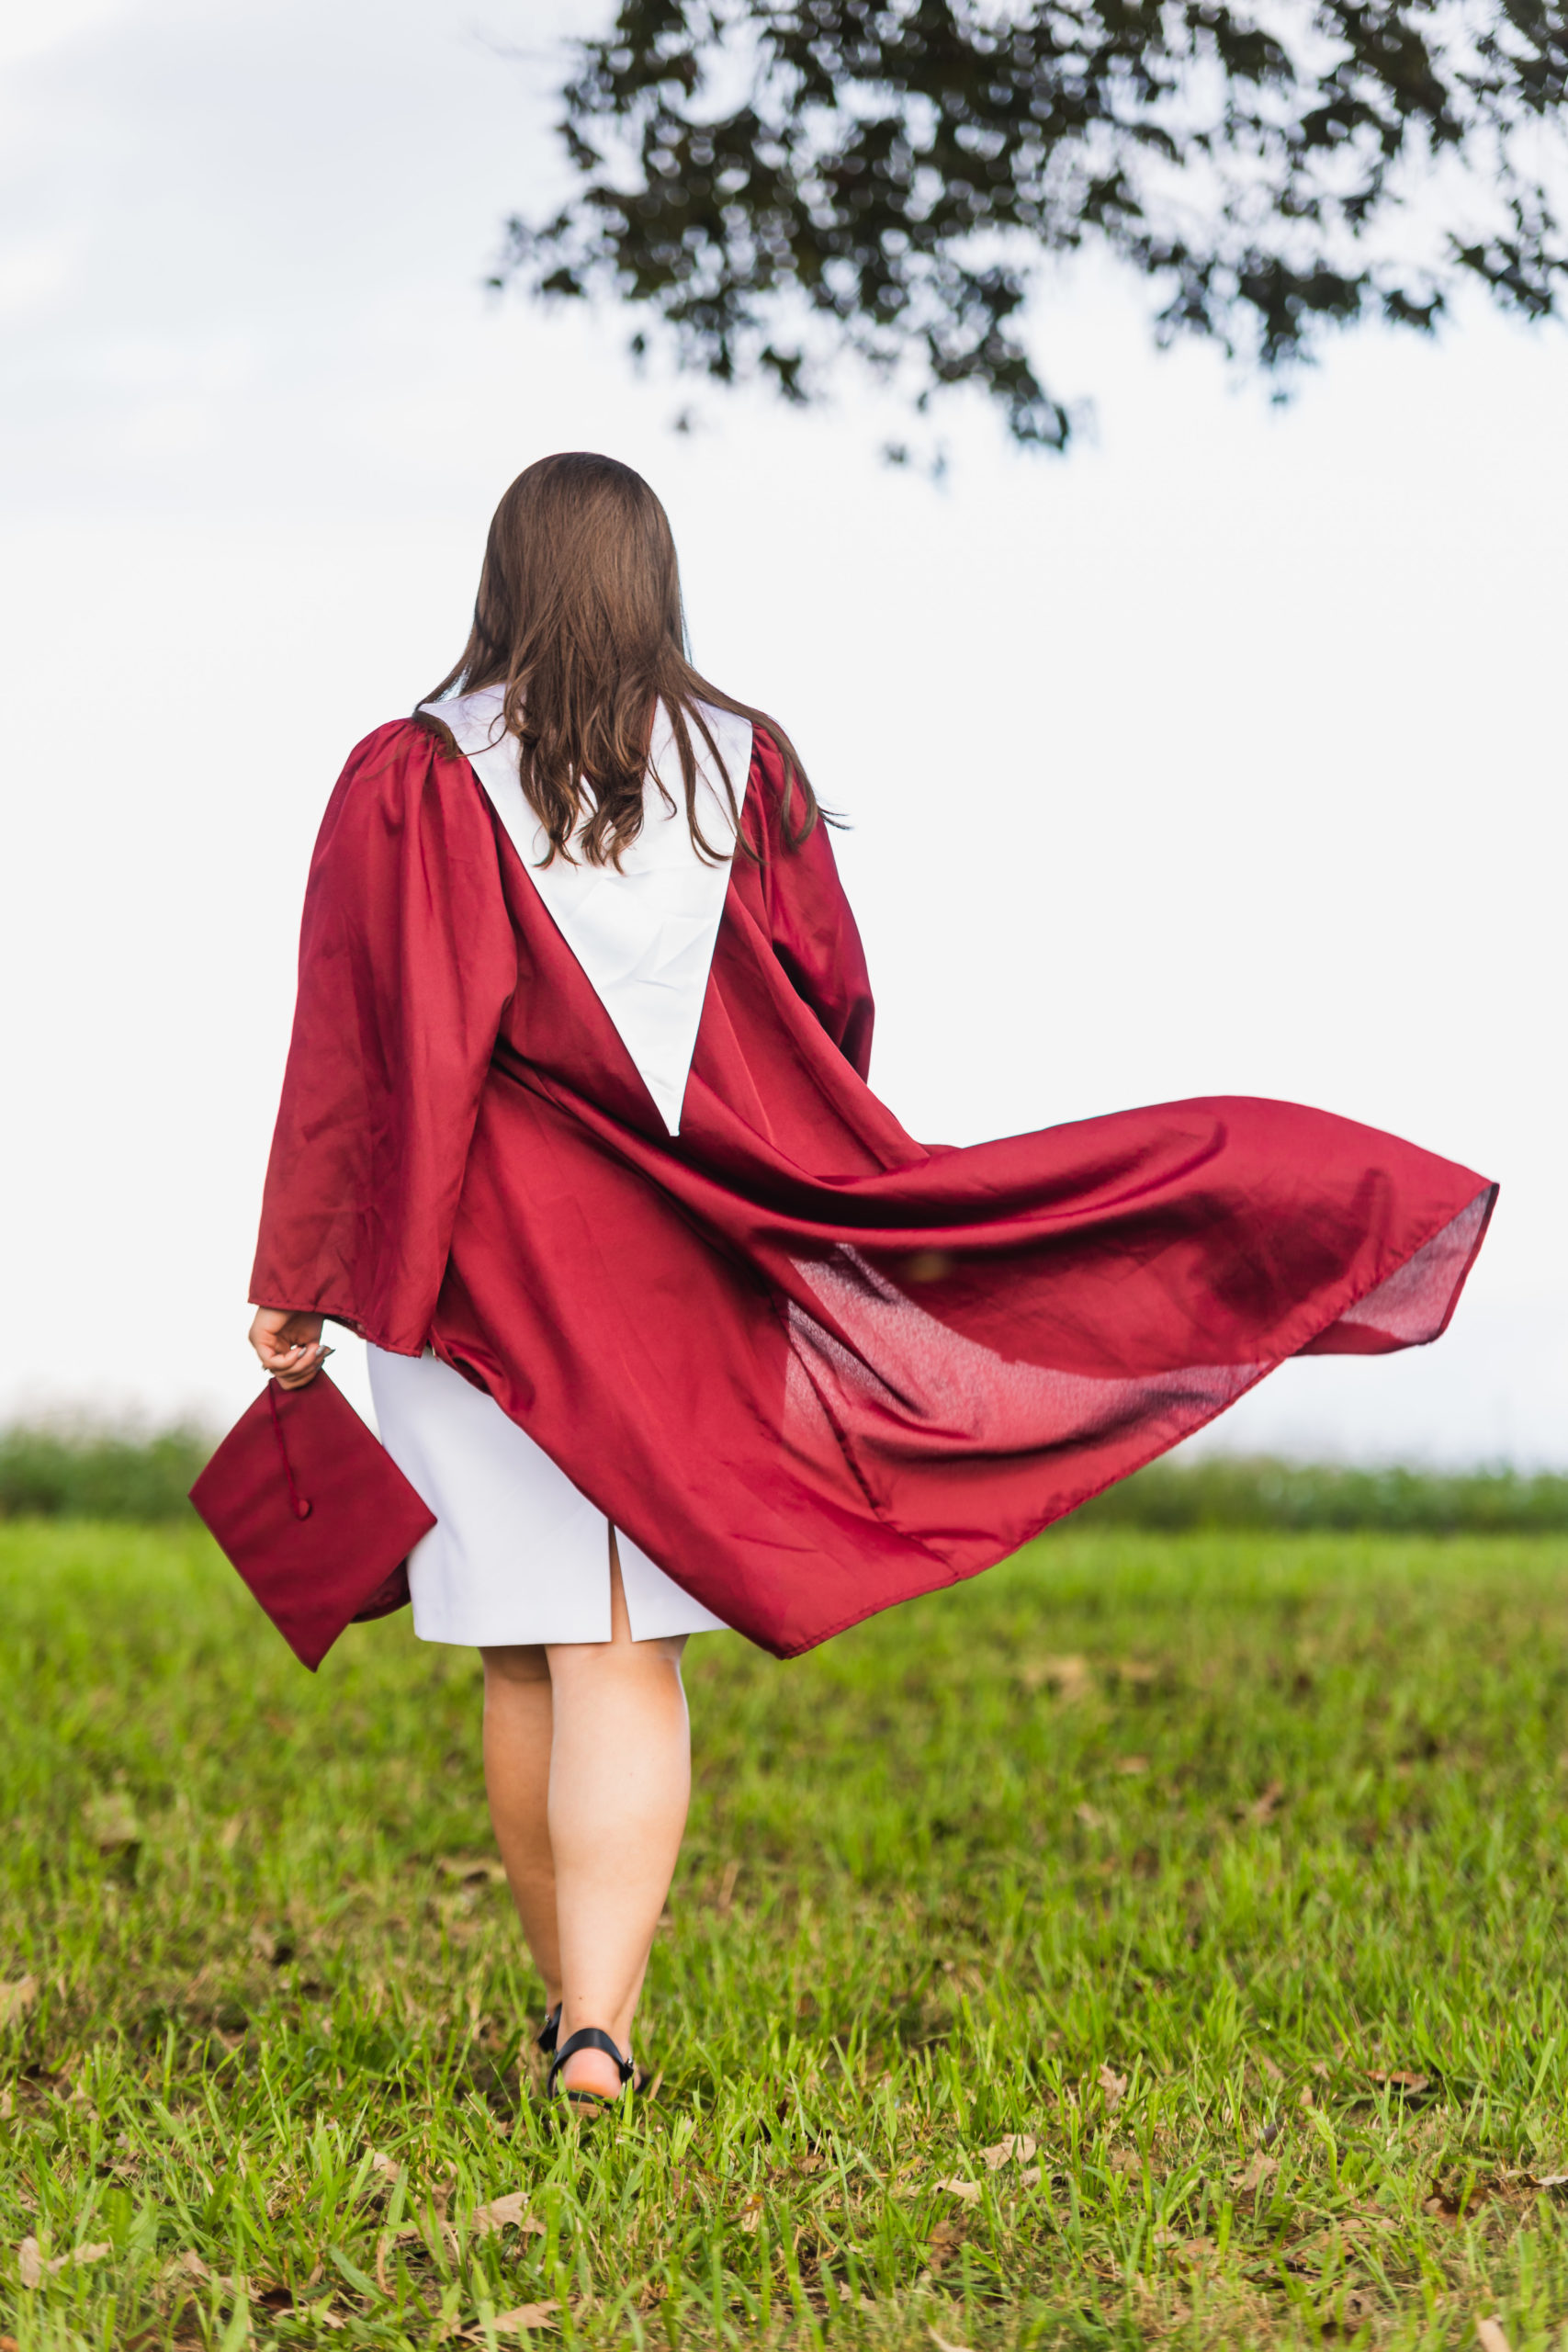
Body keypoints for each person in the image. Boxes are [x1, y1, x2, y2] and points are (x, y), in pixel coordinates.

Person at [248, 451, 1494, 2109]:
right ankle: (596, 2032)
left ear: (501, 581)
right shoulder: (743, 770)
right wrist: (784, 1182)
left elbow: (355, 1042)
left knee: (523, 1641)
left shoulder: (405, 775)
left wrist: (300, 1267)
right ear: (652, 584)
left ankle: (573, 2014)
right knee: (620, 1642)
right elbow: (828, 999)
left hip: (473, 1271)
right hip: (683, 1258)